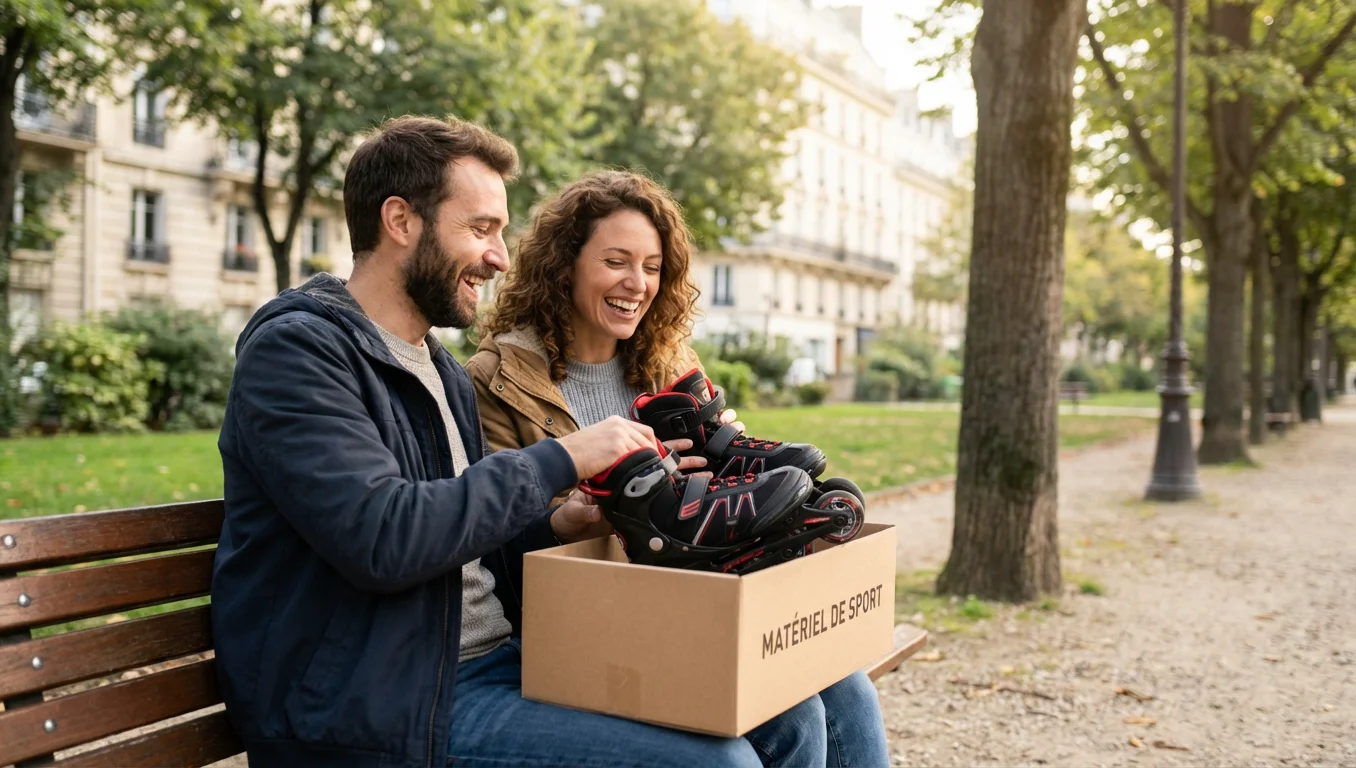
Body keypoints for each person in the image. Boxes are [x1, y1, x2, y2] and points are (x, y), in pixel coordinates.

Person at [211, 115, 835, 768]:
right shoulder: (298, 351)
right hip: (378, 704)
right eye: (480, 229)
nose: (500, 255)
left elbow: (464, 541)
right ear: (401, 222)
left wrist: (558, 522)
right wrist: (564, 457)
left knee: (789, 710)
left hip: (489, 663)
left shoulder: (436, 367)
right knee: (719, 764)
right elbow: (381, 539)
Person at [465, 169, 891, 767]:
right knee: (795, 717)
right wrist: (574, 516)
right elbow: (491, 542)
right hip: (589, 625)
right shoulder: (497, 380)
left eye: (652, 267)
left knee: (848, 690)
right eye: (616, 261)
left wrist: (730, 466)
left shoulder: (668, 363)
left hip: (698, 600)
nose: (636, 284)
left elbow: (722, 511)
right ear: (565, 265)